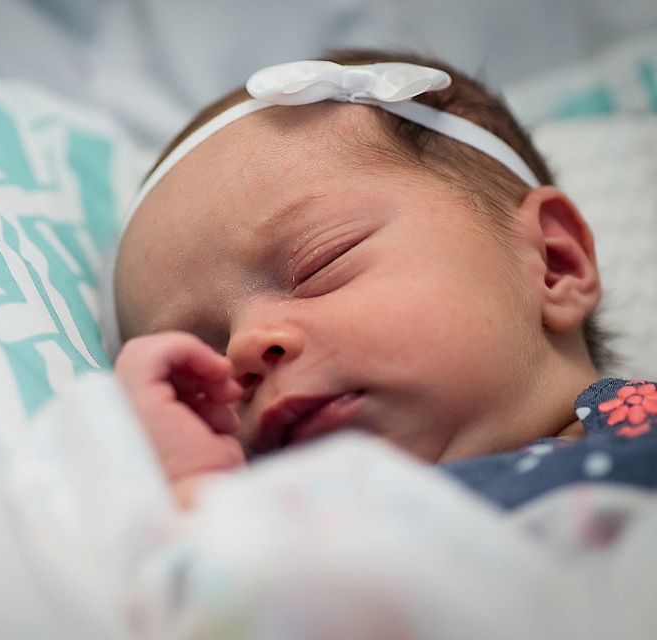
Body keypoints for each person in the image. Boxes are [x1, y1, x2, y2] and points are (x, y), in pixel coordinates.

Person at [107, 49, 657, 509]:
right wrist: (197, 495)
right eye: (203, 361)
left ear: (554, 263)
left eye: (320, 264)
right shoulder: (301, 544)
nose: (246, 349)